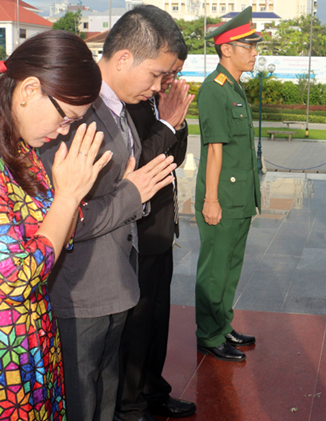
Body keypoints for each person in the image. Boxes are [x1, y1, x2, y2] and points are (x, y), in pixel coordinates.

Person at [0, 30, 112, 420]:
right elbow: (15, 280)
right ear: (29, 89)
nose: (63, 131)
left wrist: (68, 198)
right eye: (66, 118)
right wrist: (66, 198)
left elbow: (60, 230)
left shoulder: (14, 147)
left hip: (27, 343)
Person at [40, 5, 181, 421]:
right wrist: (133, 194)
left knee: (104, 396)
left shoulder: (117, 108)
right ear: (123, 59)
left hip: (115, 282)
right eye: (155, 74)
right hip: (80, 291)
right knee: (81, 402)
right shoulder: (75, 114)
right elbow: (65, 218)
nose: (159, 88)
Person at [116, 52, 196, 420]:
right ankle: (130, 403)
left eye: (173, 74)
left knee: (157, 320)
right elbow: (139, 165)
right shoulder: (123, 105)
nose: (166, 81)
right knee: (137, 323)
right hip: (137, 231)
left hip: (160, 228)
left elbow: (173, 157)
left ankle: (152, 390)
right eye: (164, 73)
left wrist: (175, 123)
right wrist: (166, 121)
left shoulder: (153, 103)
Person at [195, 6, 262, 362]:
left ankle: (223, 325)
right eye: (248, 46)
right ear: (226, 49)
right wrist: (210, 199)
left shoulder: (234, 86)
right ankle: (208, 334)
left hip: (239, 196)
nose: (254, 52)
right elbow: (215, 151)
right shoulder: (214, 89)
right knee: (214, 268)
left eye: (254, 46)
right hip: (221, 196)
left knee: (231, 266)